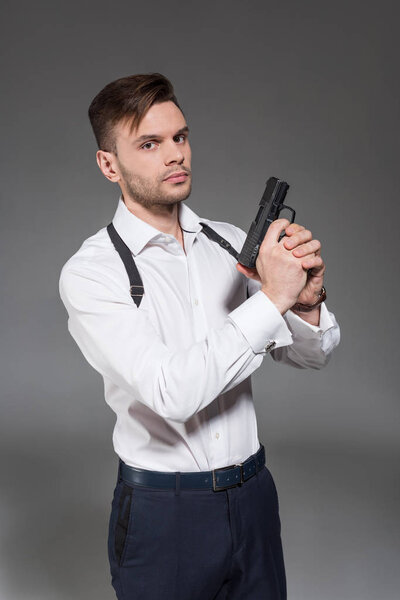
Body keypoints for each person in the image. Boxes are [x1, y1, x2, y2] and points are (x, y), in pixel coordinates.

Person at [59, 73, 340, 600]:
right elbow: (173, 393)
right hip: (166, 515)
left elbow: (314, 355)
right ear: (108, 165)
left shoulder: (231, 243)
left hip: (254, 498)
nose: (174, 156)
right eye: (149, 144)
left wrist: (306, 303)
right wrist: (272, 299)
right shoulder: (92, 273)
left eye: (180, 137)